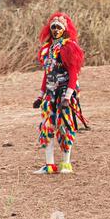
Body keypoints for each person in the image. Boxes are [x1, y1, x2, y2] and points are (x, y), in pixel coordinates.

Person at [32, 12, 87, 174]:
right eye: (53, 27)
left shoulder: (68, 47)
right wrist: (40, 96)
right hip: (50, 93)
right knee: (47, 126)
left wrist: (68, 97)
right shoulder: (48, 50)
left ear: (65, 29)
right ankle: (49, 165)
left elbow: (73, 73)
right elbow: (47, 74)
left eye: (59, 27)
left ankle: (66, 164)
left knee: (65, 126)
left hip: (64, 92)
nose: (55, 30)